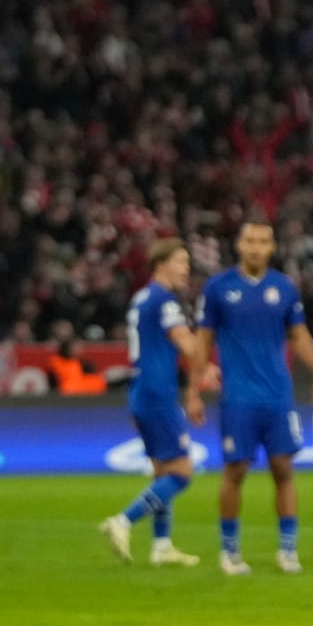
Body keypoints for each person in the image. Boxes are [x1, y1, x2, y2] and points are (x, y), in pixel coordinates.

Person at [191, 220, 313, 576]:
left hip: (277, 395)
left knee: (283, 469)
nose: (255, 247)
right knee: (235, 470)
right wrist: (193, 387)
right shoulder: (218, 288)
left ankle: (287, 551)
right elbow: (203, 340)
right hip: (238, 396)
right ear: (239, 245)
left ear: (272, 248)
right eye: (249, 240)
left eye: (263, 241)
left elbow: (298, 335)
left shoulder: (284, 288)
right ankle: (230, 551)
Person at [98, 239, 207, 568]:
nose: (186, 269)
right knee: (182, 474)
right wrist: (208, 367)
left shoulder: (141, 298)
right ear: (161, 265)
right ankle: (123, 521)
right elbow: (185, 342)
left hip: (142, 391)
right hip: (158, 393)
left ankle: (162, 546)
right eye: (180, 262)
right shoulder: (164, 300)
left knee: (163, 472)